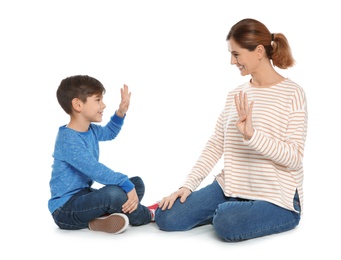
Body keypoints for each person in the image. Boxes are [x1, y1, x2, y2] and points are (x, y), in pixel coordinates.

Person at [155, 18, 308, 242]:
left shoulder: (293, 94)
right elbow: (216, 144)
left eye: (236, 54)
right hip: (232, 187)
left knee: (226, 222)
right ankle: (230, 210)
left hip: (277, 198)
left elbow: (294, 158)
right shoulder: (235, 95)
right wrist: (188, 186)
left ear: (258, 51)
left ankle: (230, 213)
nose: (231, 61)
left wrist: (253, 136)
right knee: (166, 217)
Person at [48, 75, 156, 234]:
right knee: (114, 193)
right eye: (98, 100)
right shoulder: (68, 140)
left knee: (137, 183)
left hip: (84, 197)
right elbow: (95, 170)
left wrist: (120, 112)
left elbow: (110, 132)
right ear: (78, 104)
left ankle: (98, 219)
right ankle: (149, 214)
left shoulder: (89, 130)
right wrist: (124, 183)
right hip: (65, 210)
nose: (103, 105)